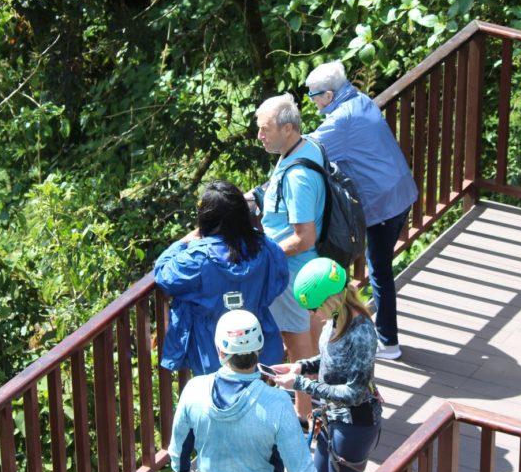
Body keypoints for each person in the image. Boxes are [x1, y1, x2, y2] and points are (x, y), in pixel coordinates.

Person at [169, 310, 331, 472]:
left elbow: (180, 446)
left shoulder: (195, 389)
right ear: (259, 348)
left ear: (220, 350)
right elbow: (300, 470)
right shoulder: (276, 402)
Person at [305, 61, 418, 360]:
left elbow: (305, 151)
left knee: (379, 270)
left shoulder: (340, 121)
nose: (312, 101)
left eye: (312, 96)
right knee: (379, 265)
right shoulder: (360, 100)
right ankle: (375, 327)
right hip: (402, 192)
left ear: (328, 95)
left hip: (382, 204)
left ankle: (389, 343)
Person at [271, 258, 382, 472]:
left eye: (313, 307)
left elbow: (354, 393)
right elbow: (332, 358)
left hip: (354, 424)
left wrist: (301, 384)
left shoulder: (362, 333)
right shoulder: (336, 317)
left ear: (329, 300)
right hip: (330, 416)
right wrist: (301, 366)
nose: (312, 314)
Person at [155, 181, 289, 376]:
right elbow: (279, 281)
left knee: (218, 400)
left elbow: (163, 273)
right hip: (256, 342)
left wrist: (184, 241)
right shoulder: (265, 247)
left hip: (212, 350)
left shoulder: (197, 257)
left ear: (205, 218)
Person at [251, 94, 326, 421]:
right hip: (306, 266)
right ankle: (319, 399)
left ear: (287, 128)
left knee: (295, 344)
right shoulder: (306, 146)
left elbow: (303, 236)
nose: (259, 135)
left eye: (265, 129)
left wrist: (265, 254)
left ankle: (303, 417)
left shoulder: (297, 176)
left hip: (292, 269)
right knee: (309, 332)